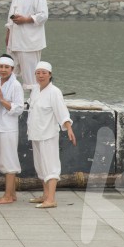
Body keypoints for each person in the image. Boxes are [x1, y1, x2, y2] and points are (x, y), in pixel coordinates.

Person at [27, 61, 76, 209]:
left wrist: (68, 128)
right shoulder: (35, 90)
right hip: (35, 133)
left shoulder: (55, 92)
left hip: (48, 134)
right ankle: (45, 195)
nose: (41, 76)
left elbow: (62, 112)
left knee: (51, 166)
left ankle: (51, 199)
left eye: (44, 73)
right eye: (38, 73)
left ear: (50, 74)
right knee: (41, 166)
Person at [5, 0, 49, 88]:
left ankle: (34, 102)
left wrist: (26, 19)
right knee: (10, 72)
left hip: (30, 42)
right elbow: (10, 17)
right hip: (15, 40)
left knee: (31, 76)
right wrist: (8, 35)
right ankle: (13, 100)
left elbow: (43, 15)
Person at [0, 54, 25, 205]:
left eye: (6, 67)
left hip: (8, 128)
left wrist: (1, 100)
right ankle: (12, 194)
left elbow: (19, 108)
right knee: (2, 160)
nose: (3, 70)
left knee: (9, 161)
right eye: (1, 67)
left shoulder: (15, 85)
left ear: (12, 69)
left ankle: (7, 196)